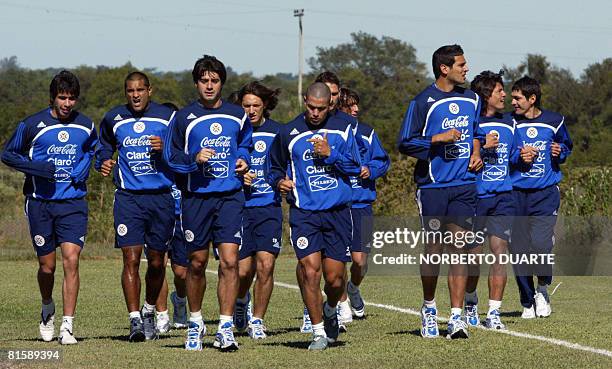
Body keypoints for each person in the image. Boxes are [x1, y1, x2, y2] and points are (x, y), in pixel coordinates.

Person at [397, 44, 493, 339]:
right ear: (444, 69)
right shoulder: (423, 101)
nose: (467, 68)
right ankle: (428, 308)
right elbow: (405, 142)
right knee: (434, 249)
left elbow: (476, 131)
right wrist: (437, 138)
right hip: (433, 187)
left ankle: (455, 317)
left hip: (464, 185)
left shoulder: (473, 99)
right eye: (461, 64)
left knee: (460, 248)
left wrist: (477, 151)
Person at [1, 70, 98, 345]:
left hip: (73, 203)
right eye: (62, 98)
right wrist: (37, 169)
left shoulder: (86, 125)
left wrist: (85, 167)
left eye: (72, 99)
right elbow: (7, 154)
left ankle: (68, 326)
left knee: (72, 259)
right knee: (47, 266)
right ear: (52, 98)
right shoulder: (32, 124)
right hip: (40, 203)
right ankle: (47, 307)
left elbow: (95, 148)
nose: (67, 104)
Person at [163, 55, 252, 351]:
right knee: (197, 264)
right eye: (204, 80)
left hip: (229, 197)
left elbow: (245, 143)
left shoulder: (237, 114)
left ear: (222, 83)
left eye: (214, 81)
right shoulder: (183, 118)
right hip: (195, 199)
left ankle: (225, 327)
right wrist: (193, 158)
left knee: (229, 261)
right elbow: (170, 157)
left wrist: (243, 159)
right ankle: (196, 321)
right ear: (196, 83)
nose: (209, 85)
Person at [267, 82, 361, 350]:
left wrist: (331, 155)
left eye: (321, 108)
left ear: (329, 105)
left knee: (334, 279)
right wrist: (278, 182)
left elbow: (355, 167)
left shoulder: (343, 129)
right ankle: (318, 332)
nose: (316, 113)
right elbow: (272, 166)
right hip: (304, 213)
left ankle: (330, 309)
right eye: (311, 107)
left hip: (338, 212)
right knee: (310, 272)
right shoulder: (289, 132)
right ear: (304, 100)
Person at [95, 71, 176, 341]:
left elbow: (183, 149)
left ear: (149, 90)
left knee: (156, 263)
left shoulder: (167, 116)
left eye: (140, 90)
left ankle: (150, 310)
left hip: (161, 198)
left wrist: (165, 148)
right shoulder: (114, 118)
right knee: (130, 259)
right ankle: (135, 321)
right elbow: (103, 146)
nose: (135, 95)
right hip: (129, 199)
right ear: (125, 92)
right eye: (130, 91)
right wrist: (104, 161)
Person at [509, 76, 572, 319]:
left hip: (545, 193)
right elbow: (505, 152)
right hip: (515, 194)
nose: (513, 102)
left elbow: (566, 146)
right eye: (512, 97)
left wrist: (560, 151)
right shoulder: (509, 123)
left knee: (541, 244)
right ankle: (527, 302)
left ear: (532, 99)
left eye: (517, 98)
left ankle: (542, 288)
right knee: (519, 249)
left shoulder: (555, 121)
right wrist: (518, 156)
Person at [466, 71, 523, 330]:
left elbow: (514, 157)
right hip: (475, 198)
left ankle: (494, 313)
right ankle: (469, 301)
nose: (504, 95)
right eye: (500, 90)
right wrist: (480, 146)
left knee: (499, 252)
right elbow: (457, 157)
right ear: (486, 95)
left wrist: (525, 156)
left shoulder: (511, 123)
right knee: (473, 256)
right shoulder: (469, 122)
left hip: (504, 197)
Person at [231, 81, 282, 340]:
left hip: (268, 208)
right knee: (241, 271)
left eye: (256, 105)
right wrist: (239, 176)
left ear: (265, 106)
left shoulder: (278, 132)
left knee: (266, 266)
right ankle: (241, 300)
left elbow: (285, 167)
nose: (251, 110)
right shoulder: (232, 132)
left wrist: (278, 179)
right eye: (246, 105)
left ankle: (258, 320)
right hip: (239, 208)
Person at [336, 87, 390, 323]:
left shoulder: (367, 133)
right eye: (350, 105)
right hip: (338, 206)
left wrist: (373, 170)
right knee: (338, 259)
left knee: (360, 261)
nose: (356, 109)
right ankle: (342, 304)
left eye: (357, 104)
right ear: (339, 108)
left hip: (362, 205)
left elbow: (383, 160)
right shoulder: (332, 133)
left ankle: (353, 288)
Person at [154, 102, 189, 333]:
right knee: (158, 265)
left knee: (181, 272)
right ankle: (161, 315)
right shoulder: (151, 154)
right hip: (160, 214)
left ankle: (181, 300)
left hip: (182, 217)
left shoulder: (183, 150)